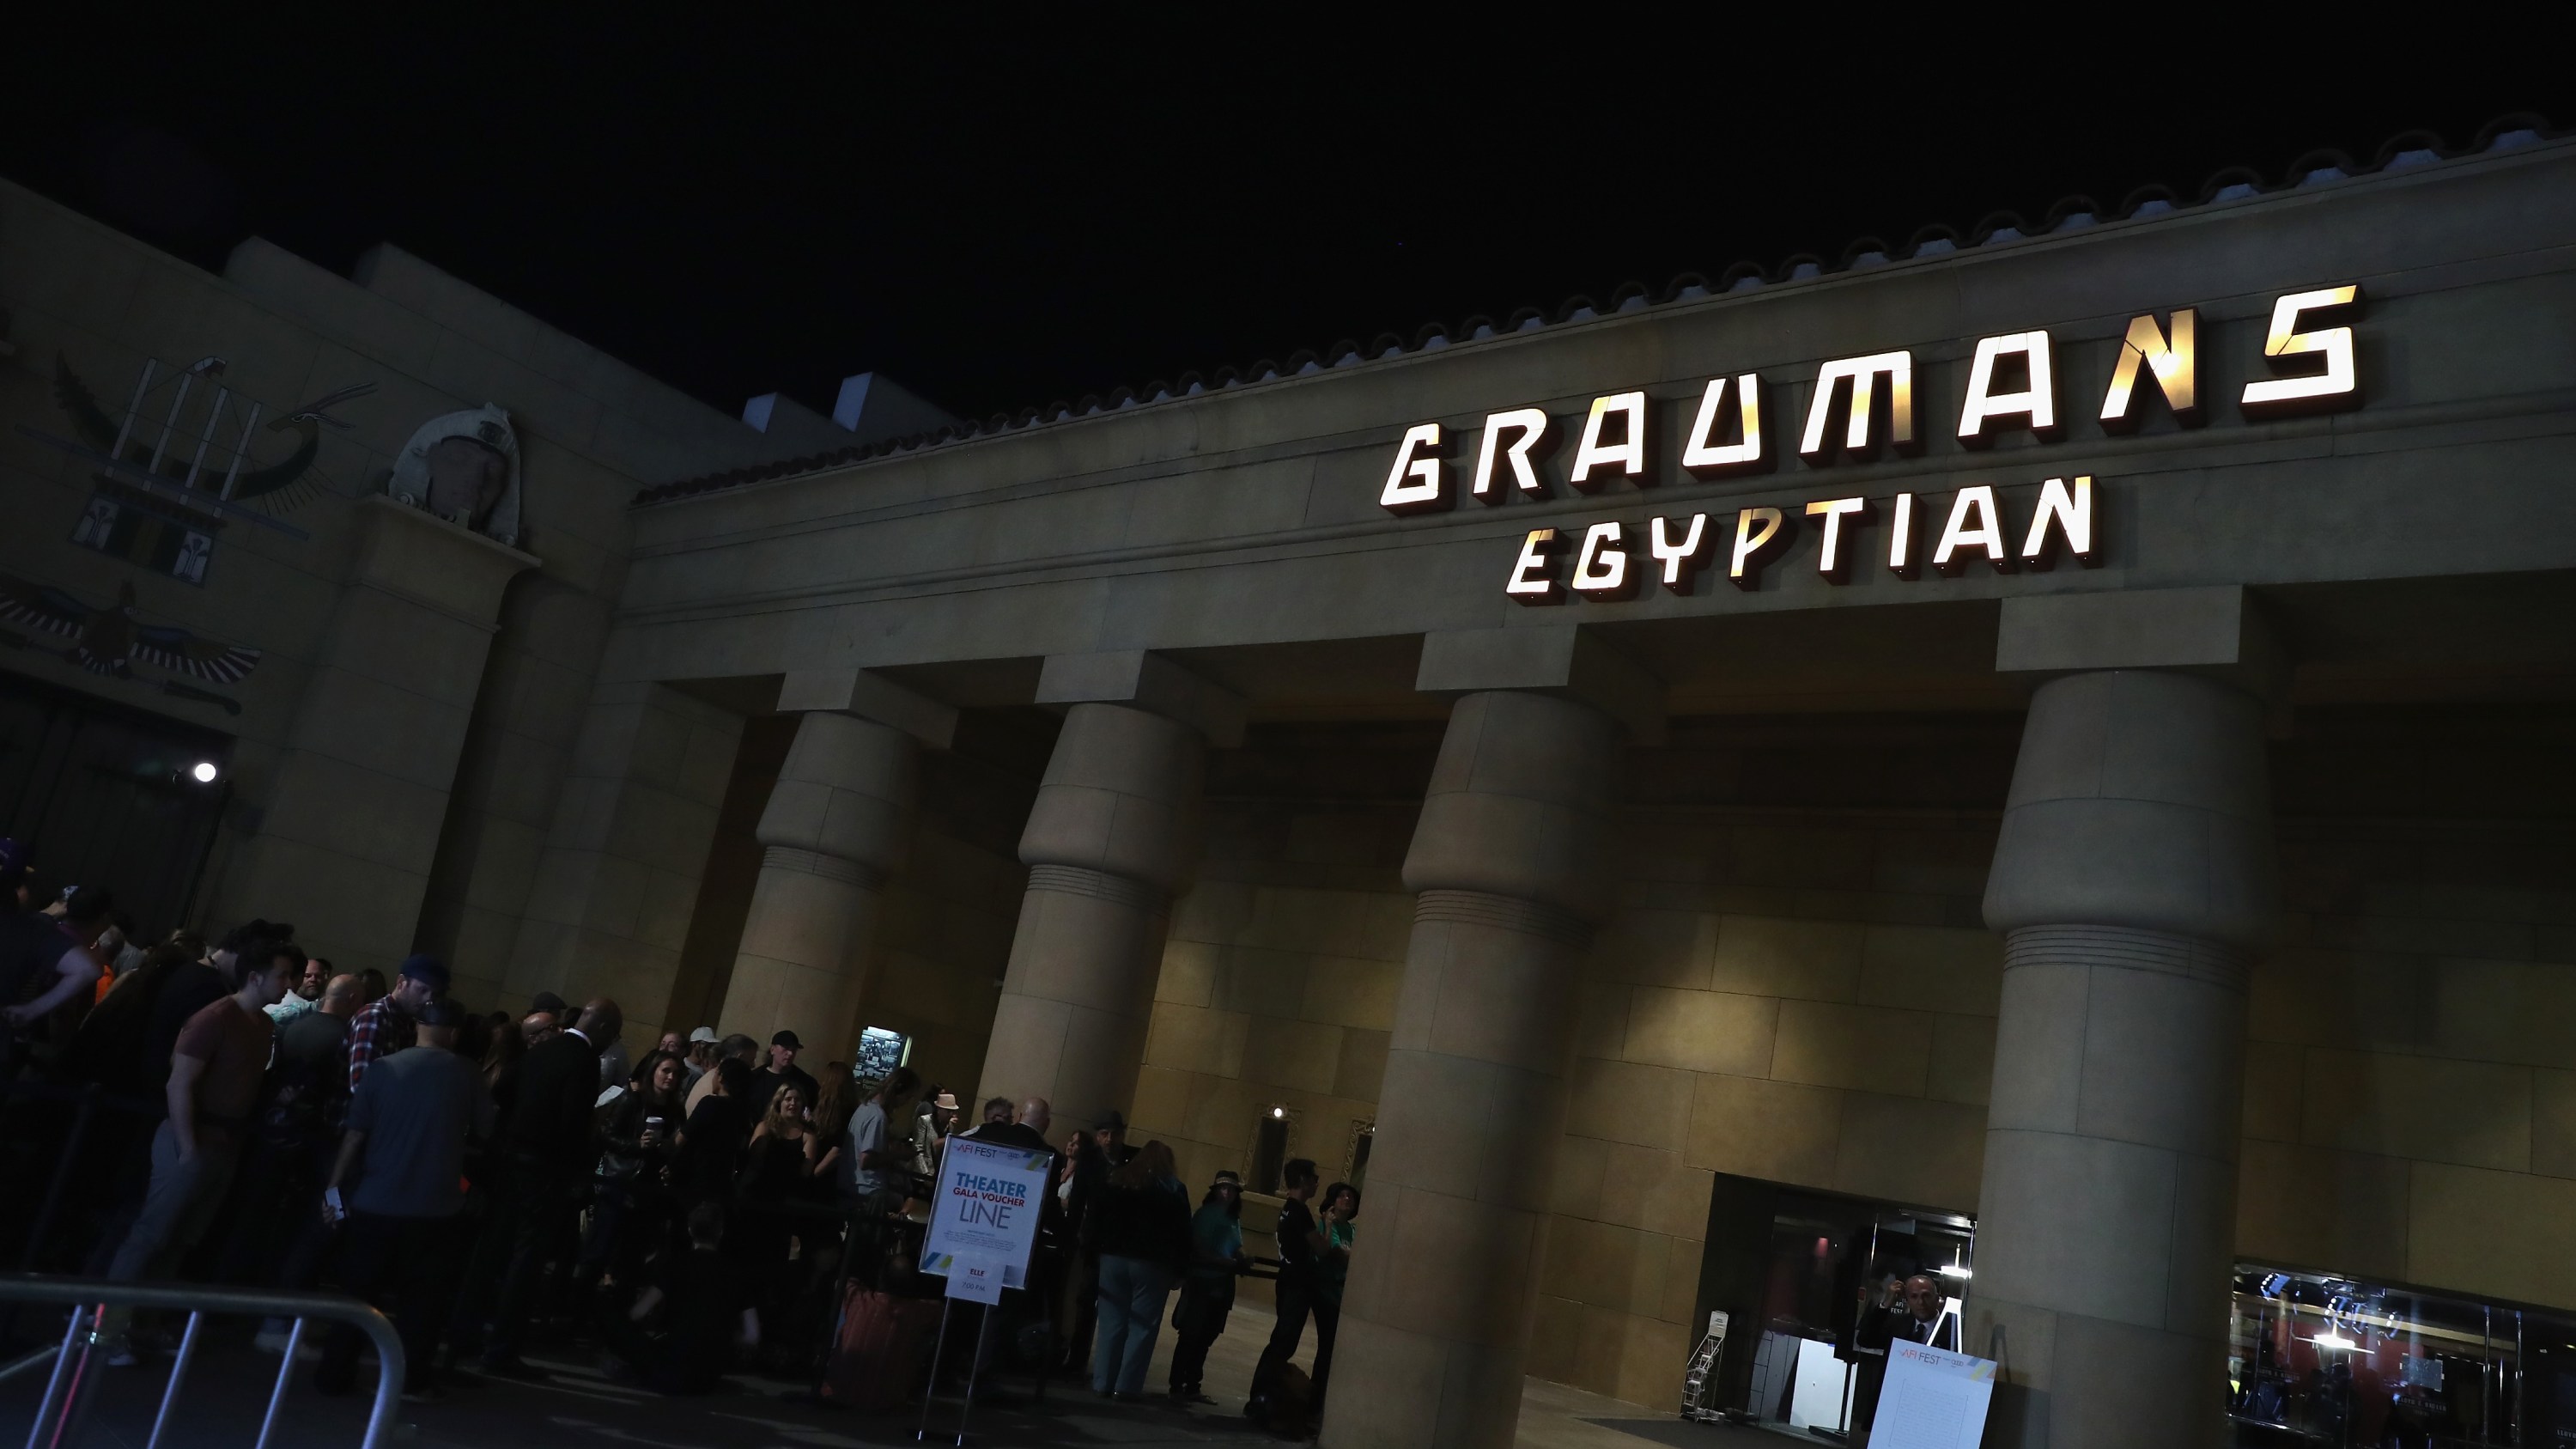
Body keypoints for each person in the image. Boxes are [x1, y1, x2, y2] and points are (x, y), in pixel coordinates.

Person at [104, 941, 295, 1361]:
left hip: (220, 1144)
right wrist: (188, 1146)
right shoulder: (215, 1017)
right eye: (283, 975)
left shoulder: (261, 1025)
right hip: (192, 1140)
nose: (289, 984)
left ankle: (142, 1324)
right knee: (151, 1235)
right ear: (255, 976)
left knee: (179, 1241)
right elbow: (180, 1082)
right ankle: (107, 1327)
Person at [314, 999, 494, 1401]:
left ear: (417, 1026)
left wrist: (333, 1199)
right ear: (454, 1033)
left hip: (373, 1205)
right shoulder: (467, 1074)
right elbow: (486, 1128)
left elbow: (354, 1138)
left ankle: (334, 1374)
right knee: (422, 1307)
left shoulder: (382, 1069)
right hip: (437, 1209)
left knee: (357, 1298)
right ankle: (411, 1382)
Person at [476, 994, 622, 1377]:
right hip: (544, 1171)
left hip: (510, 1161)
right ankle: (502, 1348)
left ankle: (466, 1334)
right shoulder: (584, 1060)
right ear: (604, 1028)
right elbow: (573, 1122)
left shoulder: (543, 1049)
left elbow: (503, 1088)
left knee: (492, 1249)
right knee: (526, 1260)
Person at [604, 1202, 755, 1394]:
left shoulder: (677, 1264)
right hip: (710, 1370)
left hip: (674, 1361)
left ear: (690, 1230)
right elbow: (752, 1335)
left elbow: (638, 1312)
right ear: (720, 1232)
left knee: (611, 1317)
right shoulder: (736, 1273)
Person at [1084, 1140, 1190, 1400]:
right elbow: (1183, 1233)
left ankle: (1102, 1382)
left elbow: (1095, 1217)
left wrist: (1092, 1252)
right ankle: (1127, 1386)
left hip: (1113, 1257)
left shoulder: (1117, 1181)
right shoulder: (1174, 1189)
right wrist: (1180, 1269)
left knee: (1111, 1323)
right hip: (1152, 1264)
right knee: (1142, 1326)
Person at [581, 1049, 688, 1289]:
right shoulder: (633, 1100)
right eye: (665, 1071)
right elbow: (607, 1134)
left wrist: (670, 1160)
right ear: (653, 1073)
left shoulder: (676, 1111)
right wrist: (636, 1145)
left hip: (649, 1188)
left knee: (632, 1255)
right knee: (601, 1247)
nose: (670, 1077)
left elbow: (678, 1145)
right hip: (620, 1182)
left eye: (675, 1073)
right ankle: (579, 1302)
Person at [1248, 1158, 1334, 1422]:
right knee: (1283, 1342)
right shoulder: (1299, 1211)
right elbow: (1322, 1248)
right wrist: (1328, 1224)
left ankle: (1262, 1394)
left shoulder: (1288, 1209)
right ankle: (1261, 1396)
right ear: (1303, 1181)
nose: (1317, 1183)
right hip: (1297, 1286)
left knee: (1281, 1341)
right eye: (1314, 1178)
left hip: (1287, 1282)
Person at [1060, 1108, 1137, 1373]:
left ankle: (1108, 1365)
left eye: (1114, 1134)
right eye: (1104, 1134)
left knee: (1115, 1307)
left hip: (1121, 1243)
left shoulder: (1133, 1159)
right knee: (1085, 1300)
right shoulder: (1091, 1161)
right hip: (1095, 1241)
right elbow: (1079, 1200)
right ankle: (1077, 1360)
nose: (1109, 1140)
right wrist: (1073, 1236)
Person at [1167, 1170, 1249, 1404]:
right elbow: (1199, 1248)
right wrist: (1226, 1262)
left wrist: (1241, 1258)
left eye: (1231, 1189)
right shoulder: (1204, 1215)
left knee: (1207, 1335)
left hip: (1222, 1282)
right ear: (1215, 1191)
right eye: (1224, 1188)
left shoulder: (1233, 1219)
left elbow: (1236, 1245)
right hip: (1202, 1280)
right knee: (1191, 1334)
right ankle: (1176, 1385)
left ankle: (1193, 1384)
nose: (1228, 1193)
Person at [348, 954, 443, 1092]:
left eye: (433, 994)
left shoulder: (410, 1022)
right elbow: (362, 1086)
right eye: (422, 990)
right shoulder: (374, 1016)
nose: (428, 999)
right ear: (401, 983)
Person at [1308, 1180, 1359, 1416]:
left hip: (1343, 1294)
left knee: (1335, 1350)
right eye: (1342, 1196)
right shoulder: (1326, 1225)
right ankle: (1315, 1401)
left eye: (1350, 1197)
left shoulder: (1353, 1229)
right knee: (1327, 1348)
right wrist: (1355, 1256)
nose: (1347, 1199)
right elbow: (1338, 1253)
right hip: (1326, 1293)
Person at [676, 1056, 755, 1208]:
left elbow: (682, 1138)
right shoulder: (743, 1112)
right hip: (722, 1184)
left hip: (697, 1180)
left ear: (721, 1077)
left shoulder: (710, 1104)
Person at [746, 1030, 818, 1117]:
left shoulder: (805, 1082)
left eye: (794, 1050)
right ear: (773, 1049)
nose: (790, 1053)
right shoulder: (754, 1078)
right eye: (786, 1048)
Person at [685, 1033, 759, 1115]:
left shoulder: (714, 1076)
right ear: (740, 1058)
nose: (753, 1065)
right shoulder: (719, 1083)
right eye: (752, 1060)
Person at [1894, 1273, 1958, 1349]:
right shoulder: (1898, 1324)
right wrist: (1885, 1304)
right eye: (1914, 1296)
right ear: (1907, 1301)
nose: (1921, 1302)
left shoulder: (1953, 1331)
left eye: (1926, 1295)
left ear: (1937, 1299)